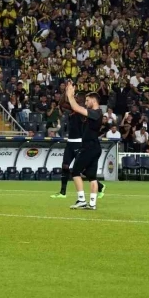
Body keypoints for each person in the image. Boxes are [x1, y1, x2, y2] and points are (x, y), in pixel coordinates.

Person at [51, 92, 105, 199]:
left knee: (81, 169)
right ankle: (63, 192)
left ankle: (99, 186)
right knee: (65, 166)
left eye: (76, 98)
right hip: (70, 141)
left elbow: (74, 106)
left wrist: (70, 96)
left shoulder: (83, 112)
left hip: (79, 142)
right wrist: (66, 92)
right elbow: (61, 104)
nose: (74, 99)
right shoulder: (73, 110)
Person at [65, 82, 102, 210]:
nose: (85, 103)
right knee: (92, 177)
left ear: (93, 100)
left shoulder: (96, 113)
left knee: (75, 172)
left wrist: (70, 96)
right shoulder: (95, 113)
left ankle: (81, 200)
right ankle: (92, 204)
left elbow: (76, 108)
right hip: (95, 147)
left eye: (87, 100)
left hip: (89, 147)